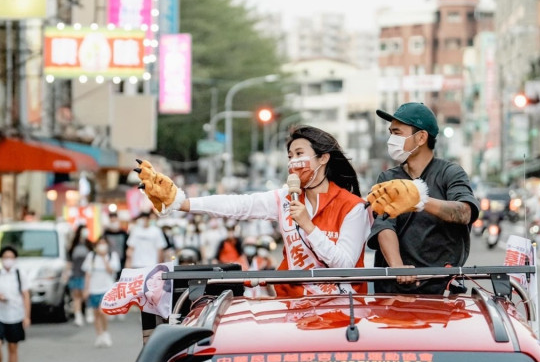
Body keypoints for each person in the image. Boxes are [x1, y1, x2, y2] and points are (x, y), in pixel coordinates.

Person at [135, 125, 371, 295]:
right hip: (292, 307)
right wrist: (183, 202)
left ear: (323, 159)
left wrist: (308, 225)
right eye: (289, 156)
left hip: (342, 308)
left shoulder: (353, 207)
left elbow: (345, 266)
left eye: (299, 154)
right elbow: (239, 205)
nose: (292, 162)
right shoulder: (284, 198)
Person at [366, 103, 479, 295]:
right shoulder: (388, 178)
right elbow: (384, 225)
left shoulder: (450, 173)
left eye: (397, 133)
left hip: (440, 290)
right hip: (393, 291)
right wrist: (397, 267)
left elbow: (464, 212)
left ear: (421, 137)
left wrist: (419, 200)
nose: (391, 139)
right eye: (390, 133)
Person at [81, 235, 121, 347]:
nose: (102, 246)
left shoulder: (112, 256)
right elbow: (88, 274)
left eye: (104, 243)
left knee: (102, 311)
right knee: (96, 313)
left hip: (107, 288)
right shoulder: (91, 256)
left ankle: (105, 332)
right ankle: (99, 335)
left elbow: (111, 270)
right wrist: (86, 289)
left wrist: (104, 258)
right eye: (100, 243)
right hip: (94, 288)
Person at [68, 225, 92, 326]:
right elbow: (69, 260)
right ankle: (78, 316)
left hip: (86, 274)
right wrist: (67, 272)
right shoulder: (73, 245)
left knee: (86, 295)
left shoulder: (89, 245)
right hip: (75, 273)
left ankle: (89, 313)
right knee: (76, 296)